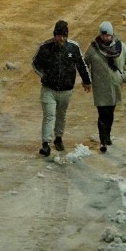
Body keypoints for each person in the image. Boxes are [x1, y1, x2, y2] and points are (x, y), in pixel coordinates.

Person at [32, 20, 92, 156]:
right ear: (55, 35)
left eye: (64, 36)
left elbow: (81, 65)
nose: (62, 39)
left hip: (66, 90)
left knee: (61, 115)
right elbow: (35, 63)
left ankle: (58, 138)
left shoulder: (73, 48)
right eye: (59, 36)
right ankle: (46, 143)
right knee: (49, 115)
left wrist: (87, 81)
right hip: (49, 89)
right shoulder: (45, 47)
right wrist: (44, 75)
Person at [83, 21, 126, 153]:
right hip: (100, 87)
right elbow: (84, 64)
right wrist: (87, 79)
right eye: (104, 36)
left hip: (114, 86)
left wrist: (124, 76)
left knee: (110, 113)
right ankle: (102, 141)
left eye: (108, 36)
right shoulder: (93, 48)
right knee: (102, 113)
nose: (106, 38)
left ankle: (107, 135)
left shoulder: (120, 47)